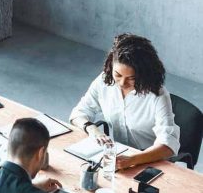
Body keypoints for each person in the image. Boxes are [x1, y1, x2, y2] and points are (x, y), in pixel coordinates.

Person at [70, 33, 180, 169]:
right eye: (118, 75)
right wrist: (92, 128)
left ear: (143, 74)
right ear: (111, 66)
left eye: (131, 78)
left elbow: (168, 145)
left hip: (149, 159)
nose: (122, 82)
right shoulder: (104, 80)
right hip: (118, 155)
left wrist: (133, 159)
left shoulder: (158, 96)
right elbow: (78, 113)